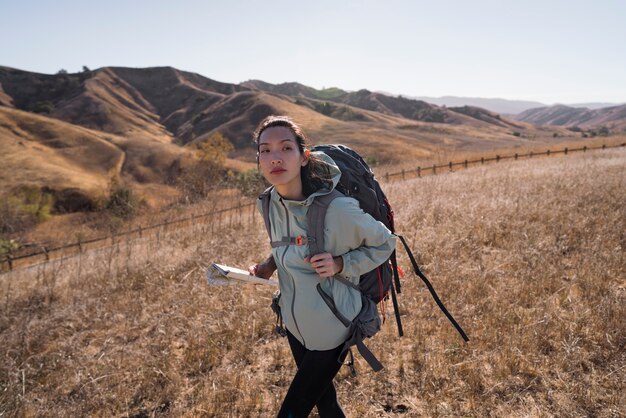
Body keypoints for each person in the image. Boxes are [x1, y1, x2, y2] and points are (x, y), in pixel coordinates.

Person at [249, 115, 396, 418]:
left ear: (304, 158)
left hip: (333, 325)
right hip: (294, 322)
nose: (275, 157)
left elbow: (385, 242)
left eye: (285, 148)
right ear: (259, 159)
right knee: (326, 405)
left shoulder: (337, 209)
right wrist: (268, 265)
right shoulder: (270, 202)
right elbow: (289, 244)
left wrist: (342, 262)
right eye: (266, 150)